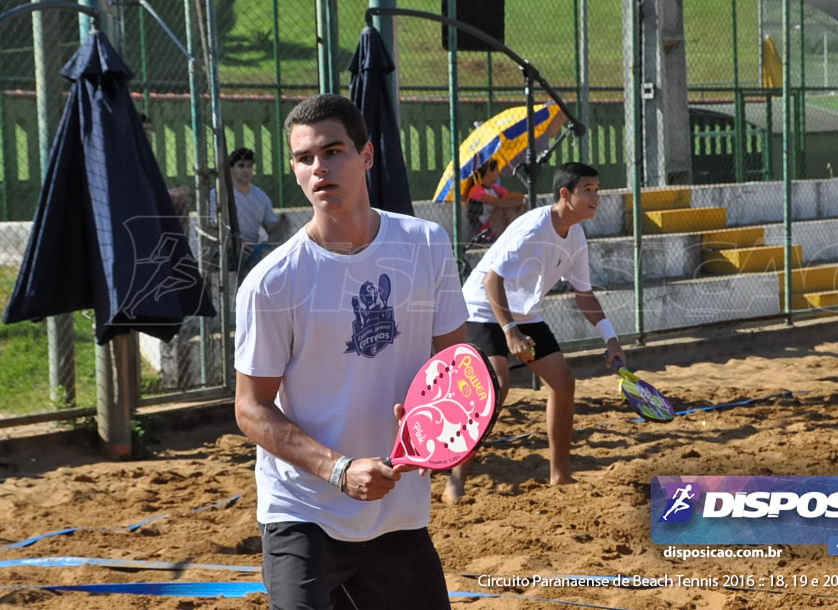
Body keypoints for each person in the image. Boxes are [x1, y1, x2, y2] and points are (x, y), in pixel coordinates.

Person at [233, 94, 467, 610]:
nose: (319, 167)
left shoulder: (426, 245)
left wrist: (442, 429)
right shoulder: (271, 283)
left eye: (333, 151)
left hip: (398, 507)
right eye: (304, 158)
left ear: (366, 156)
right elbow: (250, 409)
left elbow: (459, 367)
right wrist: (338, 468)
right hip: (303, 509)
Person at [443, 161, 626, 505]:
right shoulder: (533, 228)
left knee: (563, 382)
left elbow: (584, 295)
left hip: (524, 313)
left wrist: (611, 338)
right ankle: (455, 480)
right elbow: (491, 280)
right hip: (482, 309)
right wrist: (510, 331)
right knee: (495, 387)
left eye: (597, 190)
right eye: (588, 190)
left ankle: (560, 475)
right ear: (565, 194)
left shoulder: (576, 236)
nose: (596, 197)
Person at [210, 147, 285, 279]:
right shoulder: (217, 195)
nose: (246, 170)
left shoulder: (260, 196)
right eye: (241, 166)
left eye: (250, 166)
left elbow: (273, 228)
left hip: (252, 251)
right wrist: (233, 244)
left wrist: (270, 248)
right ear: (231, 169)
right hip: (225, 250)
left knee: (269, 256)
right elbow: (211, 229)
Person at [466, 160, 527, 242]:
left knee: (515, 205)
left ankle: (517, 232)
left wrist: (521, 200)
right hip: (486, 230)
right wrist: (519, 200)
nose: (499, 173)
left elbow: (513, 197)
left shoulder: (495, 189)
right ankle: (518, 233)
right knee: (503, 207)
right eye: (496, 170)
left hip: (498, 224)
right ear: (488, 172)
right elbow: (498, 202)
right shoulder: (476, 190)